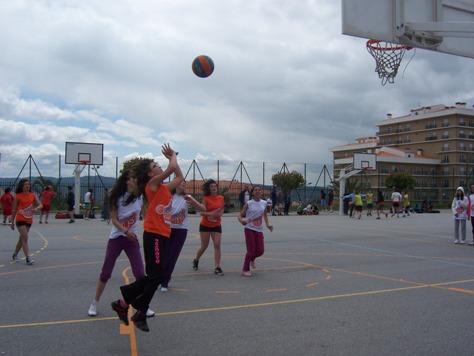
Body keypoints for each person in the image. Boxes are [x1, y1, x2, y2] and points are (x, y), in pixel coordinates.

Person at [111, 144, 183, 332]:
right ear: (151, 174)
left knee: (154, 275)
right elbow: (171, 169)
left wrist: (173, 161)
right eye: (154, 166)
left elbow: (180, 177)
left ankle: (123, 301)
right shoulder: (151, 186)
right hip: (154, 235)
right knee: (157, 275)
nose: (158, 167)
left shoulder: (165, 189)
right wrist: (172, 157)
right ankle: (140, 311)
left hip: (163, 235)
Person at [88, 169, 153, 318]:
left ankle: (143, 305)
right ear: (127, 181)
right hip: (117, 238)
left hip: (132, 240)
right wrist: (125, 231)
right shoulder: (117, 197)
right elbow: (114, 220)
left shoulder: (139, 197)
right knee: (106, 273)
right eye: (133, 178)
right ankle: (94, 303)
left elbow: (145, 214)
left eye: (137, 178)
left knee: (140, 274)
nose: (136, 180)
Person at [161, 181, 205, 292]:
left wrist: (193, 202)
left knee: (172, 256)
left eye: (185, 183)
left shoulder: (187, 197)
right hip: (167, 229)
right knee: (164, 255)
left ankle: (165, 282)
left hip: (181, 230)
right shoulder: (168, 196)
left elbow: (203, 209)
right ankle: (159, 278)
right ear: (175, 185)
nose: (184, 185)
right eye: (181, 183)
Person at [238, 185, 273, 277]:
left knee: (260, 251)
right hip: (249, 228)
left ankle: (252, 259)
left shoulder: (264, 203)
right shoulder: (249, 203)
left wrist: (268, 224)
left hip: (259, 229)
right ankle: (245, 269)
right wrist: (241, 221)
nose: (257, 191)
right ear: (252, 193)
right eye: (255, 190)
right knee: (251, 250)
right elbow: (240, 215)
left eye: (259, 190)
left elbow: (265, 215)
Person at [192, 179, 225, 276]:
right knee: (204, 246)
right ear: (209, 189)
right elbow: (201, 212)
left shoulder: (221, 198)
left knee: (217, 245)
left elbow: (222, 208)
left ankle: (217, 267)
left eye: (215, 186)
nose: (214, 188)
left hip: (217, 225)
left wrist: (220, 214)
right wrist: (210, 213)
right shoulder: (206, 199)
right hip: (205, 225)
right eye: (211, 187)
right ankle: (196, 260)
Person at [11, 179, 42, 265]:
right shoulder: (18, 196)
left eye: (28, 184)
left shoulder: (32, 195)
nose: (27, 186)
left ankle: (15, 254)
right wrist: (12, 222)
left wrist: (36, 208)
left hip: (29, 219)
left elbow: (40, 204)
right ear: (22, 186)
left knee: (22, 239)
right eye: (25, 184)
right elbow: (14, 209)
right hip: (20, 219)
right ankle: (28, 258)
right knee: (25, 237)